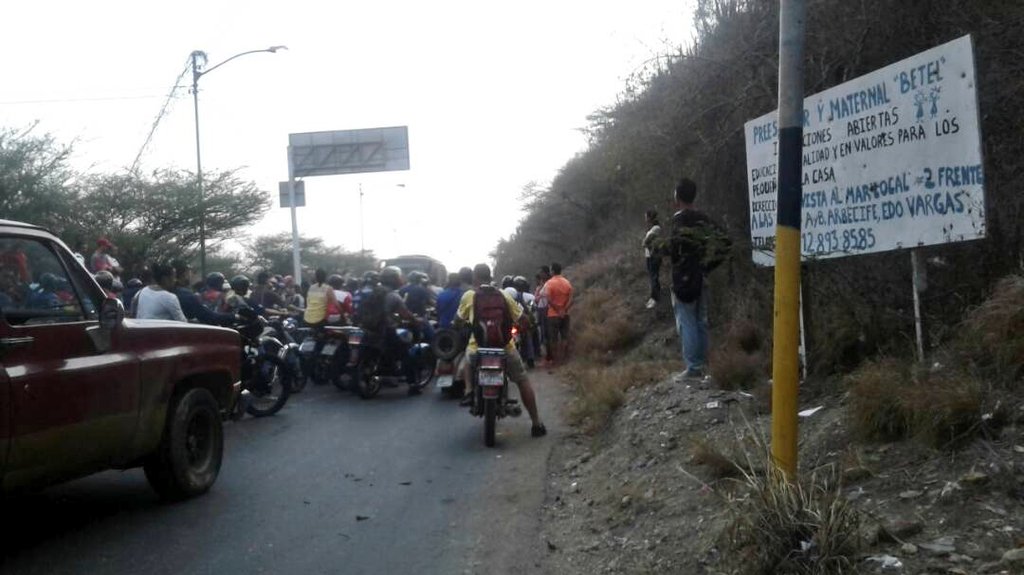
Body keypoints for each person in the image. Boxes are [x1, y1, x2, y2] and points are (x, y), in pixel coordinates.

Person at [455, 263, 545, 437]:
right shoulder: (504, 295)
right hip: (505, 348)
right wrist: (526, 327)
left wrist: (459, 324)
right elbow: (523, 319)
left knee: (467, 360)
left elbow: (458, 320)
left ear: (475, 278)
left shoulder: (469, 296)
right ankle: (536, 423)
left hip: (478, 349)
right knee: (522, 380)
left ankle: (468, 391)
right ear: (490, 276)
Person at [667, 177, 731, 378]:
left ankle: (693, 367)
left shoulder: (679, 220)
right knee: (701, 320)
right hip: (701, 276)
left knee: (687, 321)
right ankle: (704, 364)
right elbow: (726, 241)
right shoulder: (703, 218)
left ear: (677, 196)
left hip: (683, 279)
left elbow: (674, 251)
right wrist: (708, 266)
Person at [357, 266, 422, 394]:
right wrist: (416, 321)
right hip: (386, 331)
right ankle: (413, 384)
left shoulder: (372, 292)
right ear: (395, 279)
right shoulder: (393, 296)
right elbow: (405, 314)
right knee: (407, 353)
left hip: (367, 329)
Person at [170, 260, 236, 326]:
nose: (191, 275)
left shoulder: (168, 292)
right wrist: (234, 317)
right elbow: (208, 317)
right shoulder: (185, 295)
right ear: (185, 273)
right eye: (190, 272)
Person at [540, 262, 573, 365]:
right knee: (564, 337)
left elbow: (548, 299)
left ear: (552, 271)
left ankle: (555, 361)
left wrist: (557, 310)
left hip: (552, 315)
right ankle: (565, 359)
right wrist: (564, 310)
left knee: (553, 339)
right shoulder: (567, 283)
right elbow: (571, 299)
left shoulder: (549, 283)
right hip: (565, 314)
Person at [643, 209, 663, 309]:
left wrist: (645, 243)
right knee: (653, 276)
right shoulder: (651, 228)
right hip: (649, 256)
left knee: (653, 277)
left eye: (646, 217)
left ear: (650, 217)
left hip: (654, 257)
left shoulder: (656, 228)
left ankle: (654, 298)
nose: (645, 219)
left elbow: (646, 241)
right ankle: (656, 295)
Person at [534, 266, 552, 361]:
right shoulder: (543, 284)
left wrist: (539, 296)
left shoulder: (548, 283)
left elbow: (542, 297)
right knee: (544, 333)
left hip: (546, 310)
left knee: (547, 334)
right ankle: (548, 355)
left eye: (541, 272)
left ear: (546, 273)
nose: (540, 274)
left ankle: (549, 356)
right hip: (542, 310)